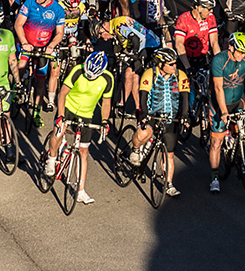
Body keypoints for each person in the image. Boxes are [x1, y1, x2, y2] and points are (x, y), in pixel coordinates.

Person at [43, 50, 114, 206]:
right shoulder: (78, 70)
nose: (88, 77)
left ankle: (80, 191)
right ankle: (52, 158)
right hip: (69, 107)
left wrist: (104, 121)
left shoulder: (108, 78)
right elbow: (62, 93)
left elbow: (106, 102)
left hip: (87, 114)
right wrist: (61, 116)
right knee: (59, 132)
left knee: (83, 151)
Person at [128, 47, 190, 197]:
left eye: (175, 63)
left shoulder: (180, 75)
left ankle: (168, 184)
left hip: (171, 117)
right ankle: (136, 149)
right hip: (153, 115)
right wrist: (144, 114)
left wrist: (185, 115)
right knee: (143, 133)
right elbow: (143, 95)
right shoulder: (150, 73)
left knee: (169, 154)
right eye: (171, 64)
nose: (175, 66)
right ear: (160, 64)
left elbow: (185, 97)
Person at [208, 32, 245, 193]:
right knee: (216, 142)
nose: (242, 55)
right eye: (239, 52)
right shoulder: (219, 60)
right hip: (219, 103)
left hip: (238, 100)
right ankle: (215, 178)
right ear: (231, 47)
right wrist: (223, 112)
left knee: (240, 131)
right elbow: (218, 88)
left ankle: (239, 155)